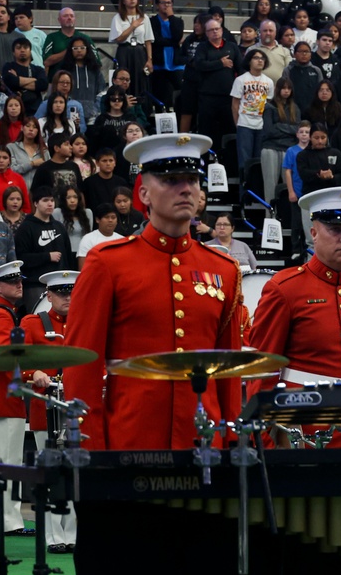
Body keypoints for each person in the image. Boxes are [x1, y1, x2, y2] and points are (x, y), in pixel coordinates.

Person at [64, 133, 242, 449]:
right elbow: (82, 367)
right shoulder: (107, 263)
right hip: (132, 440)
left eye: (192, 179)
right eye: (171, 180)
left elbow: (228, 371)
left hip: (204, 443)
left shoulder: (224, 270)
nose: (186, 188)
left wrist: (230, 441)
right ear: (143, 194)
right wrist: (90, 449)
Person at [249, 187, 341, 447]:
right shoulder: (285, 289)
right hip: (306, 429)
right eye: (335, 229)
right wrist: (264, 443)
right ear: (314, 233)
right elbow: (262, 370)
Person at [22, 269, 80, 552]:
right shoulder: (33, 323)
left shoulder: (85, 323)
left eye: (71, 292)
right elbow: (20, 362)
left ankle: (73, 536)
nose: (67, 297)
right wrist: (36, 373)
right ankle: (52, 536)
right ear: (49, 295)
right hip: (47, 407)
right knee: (49, 473)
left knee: (75, 472)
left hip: (78, 409)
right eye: (61, 292)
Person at [0, 260, 28, 534]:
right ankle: (9, 521)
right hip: (5, 401)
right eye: (11, 280)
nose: (19, 284)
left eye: (20, 279)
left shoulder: (7, 313)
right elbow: (6, 358)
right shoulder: (2, 315)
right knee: (9, 462)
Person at [194, 19, 241, 152]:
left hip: (228, 97)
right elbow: (199, 65)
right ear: (206, 33)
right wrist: (220, 63)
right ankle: (206, 160)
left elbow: (241, 69)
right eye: (210, 30)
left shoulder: (232, 46)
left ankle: (228, 162)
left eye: (217, 29)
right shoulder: (202, 48)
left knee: (229, 130)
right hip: (207, 97)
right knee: (207, 131)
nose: (214, 32)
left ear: (221, 30)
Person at [77, 202, 123, 269]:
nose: (110, 220)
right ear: (97, 220)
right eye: (106, 217)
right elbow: (83, 269)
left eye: (113, 217)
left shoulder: (122, 240)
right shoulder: (88, 239)